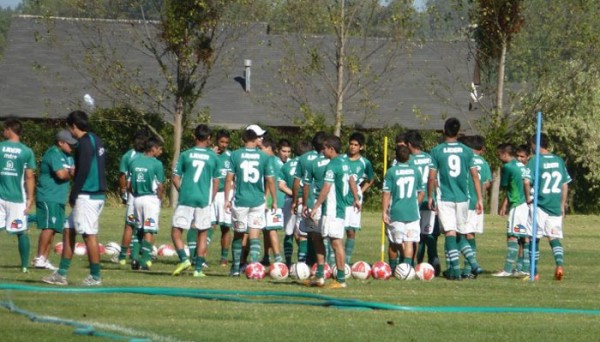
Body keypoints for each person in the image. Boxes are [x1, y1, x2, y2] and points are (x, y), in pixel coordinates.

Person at [43, 110, 107, 286]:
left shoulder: (84, 144)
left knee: (88, 235)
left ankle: (95, 276)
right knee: (68, 230)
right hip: (96, 193)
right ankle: (61, 274)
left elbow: (84, 169)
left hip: (87, 194)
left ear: (73, 126)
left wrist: (74, 193)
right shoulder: (96, 139)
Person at [428, 118, 483, 280]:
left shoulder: (437, 151)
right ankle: (473, 263)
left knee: (450, 233)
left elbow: (432, 178)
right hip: (463, 198)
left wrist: (431, 196)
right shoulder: (467, 151)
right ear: (458, 133)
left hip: (446, 197)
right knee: (460, 233)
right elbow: (474, 175)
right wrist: (479, 198)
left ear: (444, 131)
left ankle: (456, 271)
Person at [309, 135, 360, 289]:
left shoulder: (332, 165)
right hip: (334, 210)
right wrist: (356, 198)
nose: (322, 151)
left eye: (324, 148)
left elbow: (326, 188)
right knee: (317, 237)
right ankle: (319, 276)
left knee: (336, 243)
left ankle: (341, 279)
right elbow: (352, 180)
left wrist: (316, 205)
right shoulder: (345, 161)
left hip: (333, 210)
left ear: (331, 149)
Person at [171, 124, 221, 277]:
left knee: (176, 231)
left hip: (186, 198)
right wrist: (210, 198)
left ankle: (184, 259)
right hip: (203, 200)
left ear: (194, 136)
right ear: (209, 139)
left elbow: (175, 177)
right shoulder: (213, 157)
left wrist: (182, 190)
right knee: (203, 233)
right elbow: (216, 181)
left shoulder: (186, 154)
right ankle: (198, 269)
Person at [224, 128, 276, 277]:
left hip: (240, 200)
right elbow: (270, 180)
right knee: (254, 234)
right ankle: (254, 267)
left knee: (239, 235)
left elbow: (229, 179)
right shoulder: (264, 157)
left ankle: (235, 268)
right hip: (258, 200)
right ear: (255, 140)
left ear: (243, 140)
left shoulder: (235, 155)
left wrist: (227, 199)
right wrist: (274, 200)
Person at [527, 133, 570, 281]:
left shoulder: (535, 161)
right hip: (555, 205)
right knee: (554, 237)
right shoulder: (559, 160)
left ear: (534, 144)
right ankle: (559, 265)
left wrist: (528, 197)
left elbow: (526, 181)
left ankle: (535, 272)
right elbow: (565, 184)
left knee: (534, 238)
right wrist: (562, 204)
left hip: (540, 205)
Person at [32, 130, 76, 270]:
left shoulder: (69, 156)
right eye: (69, 144)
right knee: (48, 227)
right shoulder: (53, 153)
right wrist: (69, 172)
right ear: (60, 143)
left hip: (59, 197)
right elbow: (61, 174)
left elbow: (72, 172)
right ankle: (39, 257)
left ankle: (45, 259)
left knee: (54, 229)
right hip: (48, 196)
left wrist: (68, 172)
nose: (72, 147)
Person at [0, 118, 36, 273]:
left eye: (4, 129)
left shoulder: (0, 147)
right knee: (21, 231)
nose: (2, 132)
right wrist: (30, 199)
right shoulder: (26, 151)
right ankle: (24, 266)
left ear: (9, 129)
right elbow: (29, 176)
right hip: (17, 198)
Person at [383, 145, 424, 270]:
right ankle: (407, 269)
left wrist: (384, 211)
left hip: (396, 212)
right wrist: (414, 204)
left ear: (396, 157)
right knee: (409, 241)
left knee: (394, 243)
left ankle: (394, 269)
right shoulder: (416, 171)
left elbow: (386, 192)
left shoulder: (391, 171)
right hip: (412, 212)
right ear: (409, 157)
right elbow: (421, 192)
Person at [493, 143, 531, 277]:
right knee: (525, 237)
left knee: (512, 236)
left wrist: (505, 204)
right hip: (526, 206)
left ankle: (507, 270)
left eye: (499, 154)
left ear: (504, 154)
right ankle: (525, 268)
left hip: (517, 204)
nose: (499, 157)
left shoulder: (508, 167)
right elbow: (526, 183)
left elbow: (506, 186)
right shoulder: (523, 166)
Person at [404, 130, 439, 273]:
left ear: (409, 144)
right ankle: (434, 263)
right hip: (430, 200)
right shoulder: (430, 158)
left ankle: (414, 265)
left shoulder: (408, 159)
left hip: (414, 201)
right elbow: (433, 179)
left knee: (414, 236)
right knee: (430, 234)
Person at [128, 136, 164, 271]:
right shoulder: (157, 164)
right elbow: (160, 186)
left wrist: (135, 193)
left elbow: (128, 184)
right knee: (149, 230)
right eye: (159, 149)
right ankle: (145, 261)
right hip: (150, 199)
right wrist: (159, 199)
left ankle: (134, 259)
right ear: (153, 148)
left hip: (137, 199)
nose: (160, 152)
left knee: (138, 229)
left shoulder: (134, 161)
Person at [459, 135, 492, 278]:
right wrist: (479, 196)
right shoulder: (483, 162)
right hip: (476, 202)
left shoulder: (464, 159)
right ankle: (470, 269)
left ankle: (468, 268)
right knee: (470, 234)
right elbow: (486, 183)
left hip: (462, 201)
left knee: (457, 234)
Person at [115, 129, 148, 268]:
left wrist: (123, 191)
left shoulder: (128, 155)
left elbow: (122, 175)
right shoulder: (146, 156)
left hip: (133, 195)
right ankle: (136, 254)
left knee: (130, 225)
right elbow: (123, 175)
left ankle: (124, 256)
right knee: (143, 225)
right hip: (143, 195)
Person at [343, 132, 374, 265]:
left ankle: (346, 261)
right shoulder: (341, 159)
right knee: (336, 232)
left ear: (361, 147)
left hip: (354, 202)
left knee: (351, 231)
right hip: (341, 200)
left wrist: (361, 190)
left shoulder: (364, 163)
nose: (353, 147)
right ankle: (332, 261)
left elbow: (371, 179)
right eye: (351, 144)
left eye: (356, 145)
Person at [280, 140, 312, 267]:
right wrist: (301, 197)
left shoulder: (287, 165)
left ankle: (288, 263)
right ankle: (302, 263)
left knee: (288, 233)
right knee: (305, 234)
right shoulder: (312, 164)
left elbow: (281, 185)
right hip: (306, 202)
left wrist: (294, 195)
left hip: (290, 201)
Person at [260, 138, 286, 265]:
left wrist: (266, 198)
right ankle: (266, 256)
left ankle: (277, 258)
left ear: (268, 148)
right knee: (266, 229)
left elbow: (272, 182)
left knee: (271, 229)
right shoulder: (276, 161)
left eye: (261, 148)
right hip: (277, 198)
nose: (259, 151)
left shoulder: (271, 161)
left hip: (273, 200)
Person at [211, 129, 232, 267]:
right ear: (216, 141)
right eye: (221, 141)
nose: (224, 145)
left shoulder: (231, 156)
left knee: (225, 227)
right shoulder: (210, 155)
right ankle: (199, 256)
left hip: (226, 195)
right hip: (211, 193)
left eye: (226, 142)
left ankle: (224, 258)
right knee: (209, 226)